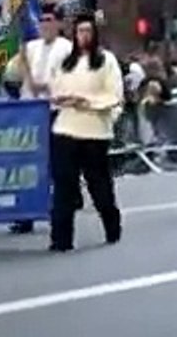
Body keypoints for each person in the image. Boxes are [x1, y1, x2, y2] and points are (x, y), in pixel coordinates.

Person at [48, 13, 124, 252]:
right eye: (80, 32)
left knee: (99, 184)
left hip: (94, 132)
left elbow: (114, 94)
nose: (83, 36)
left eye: (88, 32)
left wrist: (88, 102)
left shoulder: (106, 61)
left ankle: (112, 227)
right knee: (64, 186)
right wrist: (63, 99)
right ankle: (61, 239)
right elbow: (54, 89)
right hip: (65, 127)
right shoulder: (64, 62)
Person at [4, 3, 74, 235]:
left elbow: (69, 79)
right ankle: (25, 215)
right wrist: (20, 67)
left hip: (54, 111)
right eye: (41, 20)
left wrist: (44, 85)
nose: (44, 24)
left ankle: (58, 208)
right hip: (29, 112)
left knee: (53, 165)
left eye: (49, 20)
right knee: (27, 165)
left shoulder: (67, 49)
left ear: (59, 24)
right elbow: (11, 72)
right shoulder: (30, 46)